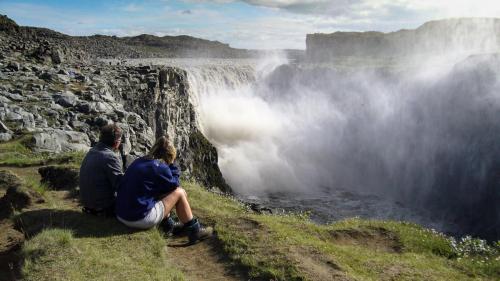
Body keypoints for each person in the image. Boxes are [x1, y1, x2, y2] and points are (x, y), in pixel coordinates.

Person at [115, 136, 212, 244]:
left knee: (162, 191)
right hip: (138, 219)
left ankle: (167, 226)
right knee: (180, 192)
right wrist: (172, 166)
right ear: (170, 155)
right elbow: (174, 184)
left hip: (121, 214)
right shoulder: (160, 167)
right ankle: (195, 231)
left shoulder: (139, 161)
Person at [79, 124, 124, 216]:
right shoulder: (110, 157)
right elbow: (120, 185)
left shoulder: (91, 151)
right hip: (103, 207)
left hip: (88, 205)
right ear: (116, 142)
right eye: (120, 140)